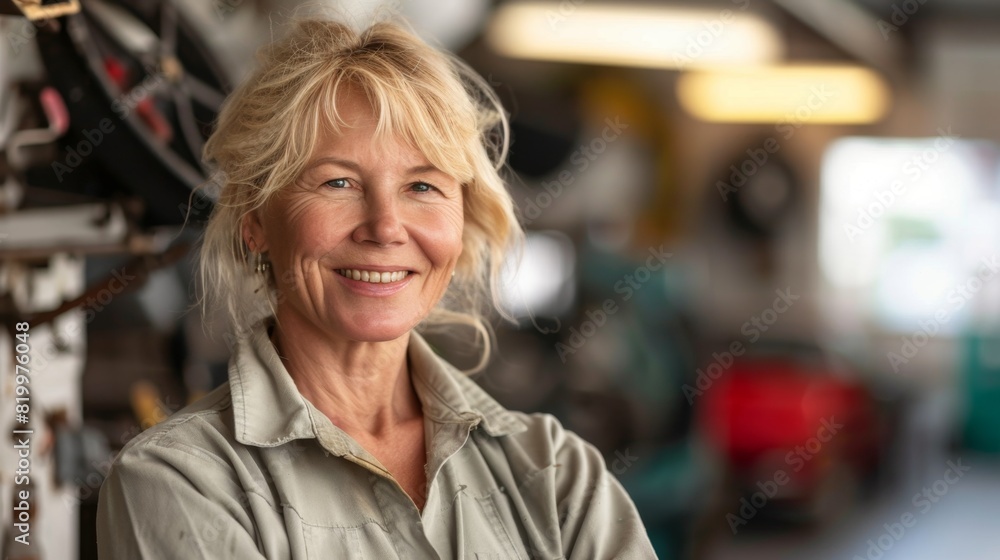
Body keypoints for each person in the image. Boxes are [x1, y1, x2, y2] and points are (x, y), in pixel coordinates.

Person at [96, 15, 657, 559]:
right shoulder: (182, 480)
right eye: (337, 182)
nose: (386, 226)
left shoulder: (557, 474)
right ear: (256, 220)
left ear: (462, 220)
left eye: (421, 185)